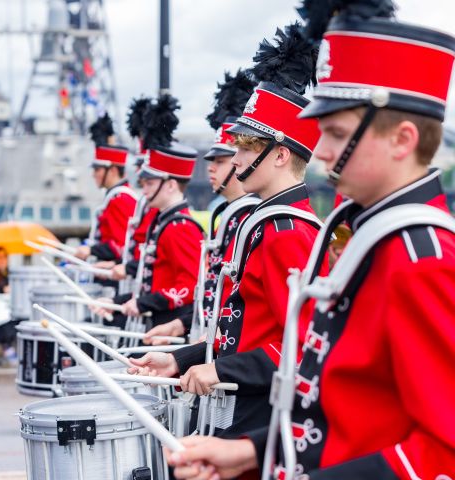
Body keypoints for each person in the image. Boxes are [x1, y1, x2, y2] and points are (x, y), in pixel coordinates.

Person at [164, 1, 455, 478]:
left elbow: (443, 452)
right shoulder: (366, 235)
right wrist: (255, 451)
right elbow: (341, 407)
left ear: (402, 141)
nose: (319, 150)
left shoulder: (423, 259)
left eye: (337, 134)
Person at [130, 23, 326, 442]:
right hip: (234, 412)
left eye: (243, 149)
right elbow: (239, 334)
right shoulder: (268, 223)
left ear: (278, 155)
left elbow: (302, 350)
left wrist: (217, 370)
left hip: (259, 421)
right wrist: (179, 360)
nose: (234, 160)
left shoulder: (287, 233)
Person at [142, 69, 257, 344]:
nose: (210, 169)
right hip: (203, 338)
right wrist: (182, 325)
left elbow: (241, 299)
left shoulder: (247, 218)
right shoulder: (229, 216)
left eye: (220, 161)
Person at [94, 95, 204, 332]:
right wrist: (116, 303)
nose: (142, 189)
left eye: (149, 183)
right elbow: (153, 281)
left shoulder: (181, 228)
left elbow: (189, 287)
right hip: (153, 321)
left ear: (171, 185)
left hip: (165, 329)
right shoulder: (164, 221)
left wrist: (141, 303)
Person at [75, 114, 137, 263]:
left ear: (113, 171)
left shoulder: (120, 199)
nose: (93, 175)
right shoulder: (115, 197)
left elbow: (120, 246)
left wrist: (91, 250)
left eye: (97, 169)